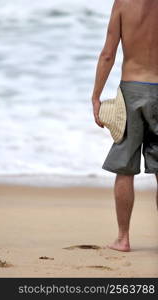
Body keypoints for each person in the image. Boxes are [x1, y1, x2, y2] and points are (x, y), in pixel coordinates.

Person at [91, 0, 158, 252]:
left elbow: (108, 53)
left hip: (132, 89)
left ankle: (123, 238)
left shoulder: (123, 3)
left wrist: (96, 96)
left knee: (125, 167)